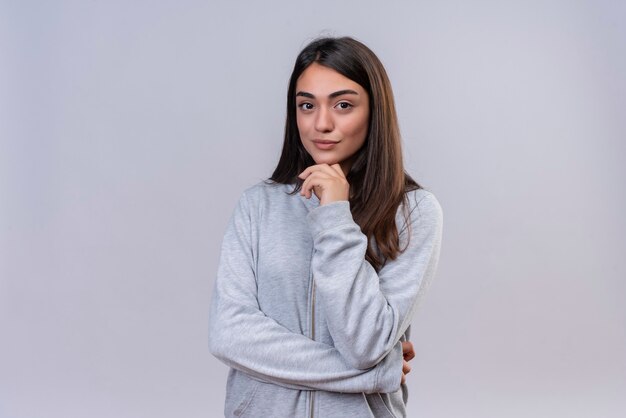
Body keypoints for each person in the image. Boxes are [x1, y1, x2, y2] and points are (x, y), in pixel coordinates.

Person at [209, 36, 443, 418]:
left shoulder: (414, 213)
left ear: (375, 111)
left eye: (343, 105)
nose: (321, 123)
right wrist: (379, 372)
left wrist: (335, 214)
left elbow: (365, 343)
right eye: (306, 105)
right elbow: (229, 335)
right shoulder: (257, 206)